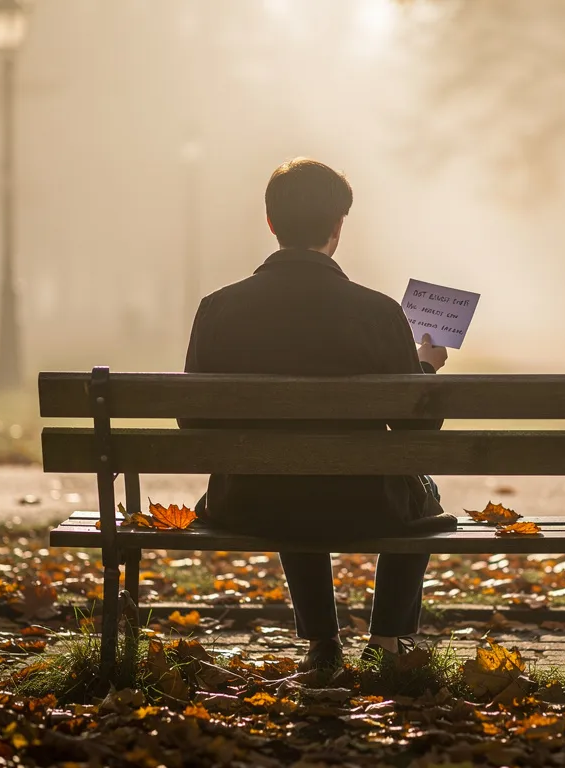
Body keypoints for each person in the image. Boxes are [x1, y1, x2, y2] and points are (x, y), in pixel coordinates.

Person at [181, 158, 456, 671]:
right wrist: (425, 366)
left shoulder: (218, 308)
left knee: (286, 467)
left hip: (249, 502)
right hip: (366, 503)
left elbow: (193, 425)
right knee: (424, 495)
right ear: (337, 227)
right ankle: (389, 643)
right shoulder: (378, 312)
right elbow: (418, 430)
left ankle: (323, 644)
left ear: (271, 223)